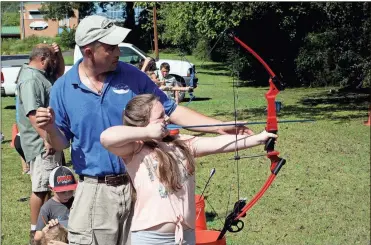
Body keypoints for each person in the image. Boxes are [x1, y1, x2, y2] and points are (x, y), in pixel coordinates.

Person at [34, 15, 253, 245]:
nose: (118, 52)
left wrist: (217, 126)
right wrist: (49, 128)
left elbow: (172, 110)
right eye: (111, 47)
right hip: (94, 191)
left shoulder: (132, 76)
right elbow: (61, 143)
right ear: (89, 52)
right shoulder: (62, 88)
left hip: (139, 185)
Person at [99, 94, 277, 245]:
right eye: (161, 116)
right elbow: (106, 137)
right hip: (151, 238)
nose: (167, 118)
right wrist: (147, 133)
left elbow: (217, 144)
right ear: (145, 124)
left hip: (186, 236)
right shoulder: (135, 149)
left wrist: (260, 138)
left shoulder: (181, 143)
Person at [16, 42, 65, 244]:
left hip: (49, 138)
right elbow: (33, 113)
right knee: (41, 187)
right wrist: (48, 138)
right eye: (51, 60)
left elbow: (60, 75)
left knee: (49, 183)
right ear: (42, 59)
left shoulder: (41, 74)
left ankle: (44, 227)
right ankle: (35, 232)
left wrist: (59, 54)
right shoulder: (30, 79)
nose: (53, 64)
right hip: (40, 142)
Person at [34, 166, 77, 243]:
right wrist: (46, 230)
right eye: (62, 191)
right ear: (51, 189)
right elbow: (37, 237)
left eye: (70, 190)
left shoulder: (76, 201)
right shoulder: (47, 208)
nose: (67, 194)